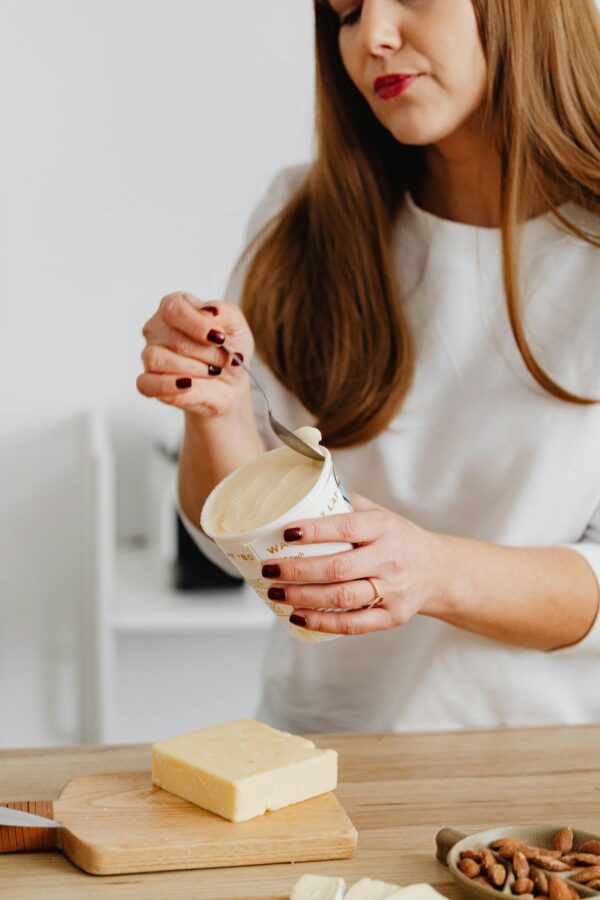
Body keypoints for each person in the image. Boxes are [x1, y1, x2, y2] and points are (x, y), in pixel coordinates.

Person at [137, 0, 600, 734]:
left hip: (539, 782)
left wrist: (435, 571)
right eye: (345, 13)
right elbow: (245, 552)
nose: (371, 39)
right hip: (322, 751)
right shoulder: (301, 221)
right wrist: (217, 411)